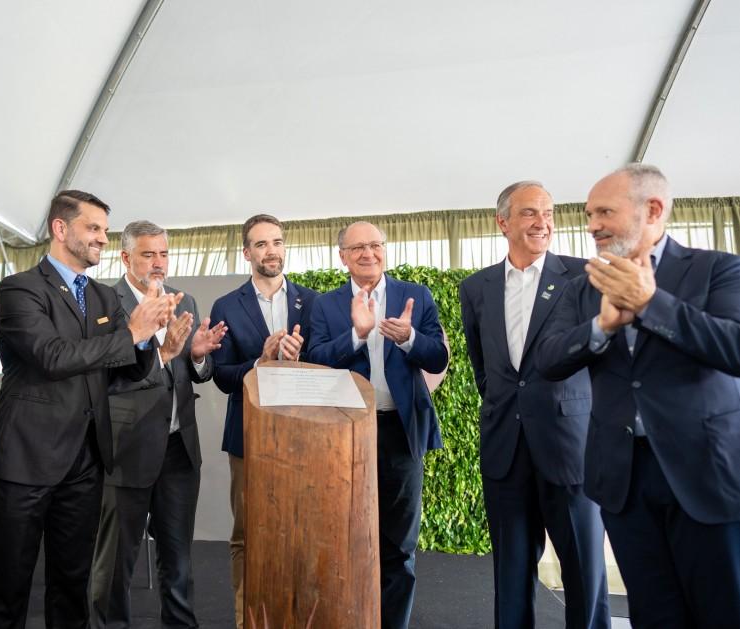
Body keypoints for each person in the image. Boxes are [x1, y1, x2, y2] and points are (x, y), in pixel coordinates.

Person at [538, 164, 740, 627]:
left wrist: (651, 305)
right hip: (623, 483)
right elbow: (548, 360)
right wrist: (601, 327)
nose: (592, 225)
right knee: (654, 615)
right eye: (589, 214)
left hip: (707, 477)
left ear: (653, 210)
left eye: (604, 211)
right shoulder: (582, 289)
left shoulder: (719, 270)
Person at [0, 191, 174, 629]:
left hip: (86, 463)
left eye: (105, 229)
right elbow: (52, 357)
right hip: (26, 461)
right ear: (60, 229)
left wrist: (154, 347)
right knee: (7, 589)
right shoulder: (20, 289)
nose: (103, 238)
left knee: (71, 585)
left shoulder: (104, 298)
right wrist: (132, 333)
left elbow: (113, 373)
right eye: (94, 228)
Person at [459, 181, 609, 629]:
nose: (542, 222)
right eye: (529, 213)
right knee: (510, 572)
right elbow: (483, 367)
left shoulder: (586, 276)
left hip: (569, 447)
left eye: (548, 213)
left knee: (585, 569)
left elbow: (603, 353)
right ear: (502, 222)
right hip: (505, 447)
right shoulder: (476, 287)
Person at [306, 221, 447, 629]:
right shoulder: (326, 304)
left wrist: (408, 339)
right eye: (357, 248)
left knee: (399, 546)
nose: (368, 253)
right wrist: (356, 334)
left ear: (385, 249)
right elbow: (314, 359)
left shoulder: (415, 296)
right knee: (344, 541)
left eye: (374, 245)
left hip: (400, 433)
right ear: (342, 257)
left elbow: (438, 357)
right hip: (343, 436)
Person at [90, 221, 226, 629]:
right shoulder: (104, 303)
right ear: (126, 257)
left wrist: (198, 356)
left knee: (179, 557)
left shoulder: (184, 303)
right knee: (116, 562)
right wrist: (164, 352)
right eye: (149, 254)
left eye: (164, 253)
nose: (158, 262)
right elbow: (104, 377)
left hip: (179, 450)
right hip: (126, 449)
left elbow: (196, 374)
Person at [209, 214, 317, 629]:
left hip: (305, 438)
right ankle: (246, 621)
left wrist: (298, 358)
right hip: (248, 437)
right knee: (247, 537)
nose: (271, 251)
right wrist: (261, 361)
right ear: (246, 253)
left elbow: (329, 364)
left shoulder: (314, 301)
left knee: (303, 535)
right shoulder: (226, 306)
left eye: (277, 242)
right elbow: (221, 376)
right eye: (261, 244)